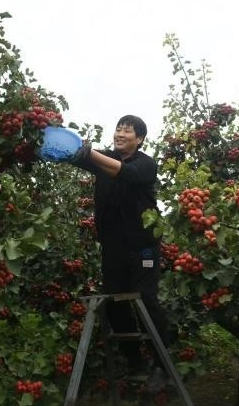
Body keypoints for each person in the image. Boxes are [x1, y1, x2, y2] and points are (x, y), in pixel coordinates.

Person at [67, 115, 171, 391]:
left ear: (140, 139)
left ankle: (161, 365)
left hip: (143, 247)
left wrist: (91, 154)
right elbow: (78, 158)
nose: (121, 134)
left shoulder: (145, 163)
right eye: (119, 129)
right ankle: (135, 362)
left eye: (128, 131)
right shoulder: (106, 158)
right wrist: (61, 143)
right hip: (113, 247)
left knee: (146, 297)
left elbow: (128, 174)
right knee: (112, 300)